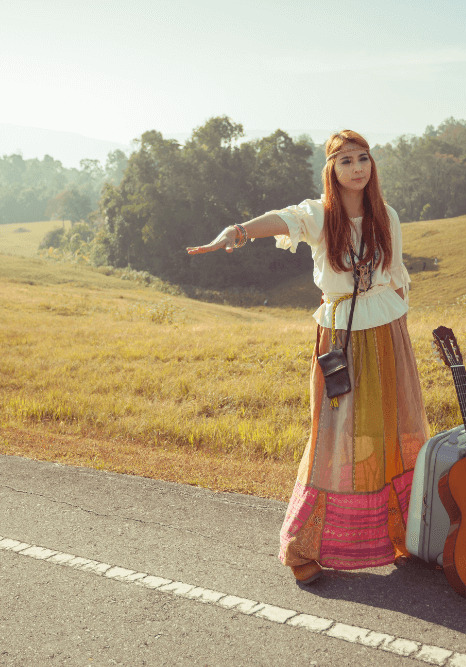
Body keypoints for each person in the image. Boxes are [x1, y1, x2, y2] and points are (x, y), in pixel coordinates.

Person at [186, 130, 429, 585]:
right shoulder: (320, 215)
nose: (357, 168)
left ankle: (401, 534)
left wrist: (401, 332)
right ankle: (305, 545)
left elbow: (396, 278)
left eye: (364, 159)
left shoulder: (387, 215)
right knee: (334, 437)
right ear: (331, 170)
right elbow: (281, 220)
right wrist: (237, 232)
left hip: (389, 330)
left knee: (395, 427)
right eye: (346, 161)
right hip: (340, 335)